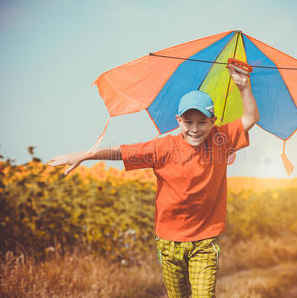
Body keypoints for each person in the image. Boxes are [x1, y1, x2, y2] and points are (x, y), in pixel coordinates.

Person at [49, 63, 259, 297]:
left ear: (213, 121)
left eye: (202, 122)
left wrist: (244, 86)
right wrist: (85, 155)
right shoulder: (163, 147)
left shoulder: (221, 140)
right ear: (179, 120)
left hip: (205, 241)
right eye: (188, 122)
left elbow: (251, 116)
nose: (195, 129)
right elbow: (122, 152)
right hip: (169, 242)